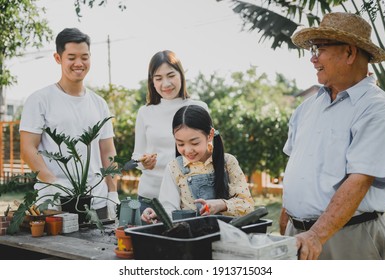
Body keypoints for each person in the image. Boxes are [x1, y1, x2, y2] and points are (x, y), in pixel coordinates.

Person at [280, 12, 385, 260]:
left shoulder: (377, 108)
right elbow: (296, 166)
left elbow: (359, 179)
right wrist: (287, 219)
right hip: (299, 236)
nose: (313, 58)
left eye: (320, 48)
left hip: (350, 239)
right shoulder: (306, 107)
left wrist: (316, 235)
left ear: (350, 53)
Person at [19, 28, 119, 220]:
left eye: (85, 57)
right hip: (53, 202)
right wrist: (52, 183)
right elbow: (27, 148)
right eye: (71, 57)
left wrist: (112, 192)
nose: (79, 63)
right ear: (58, 58)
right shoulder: (40, 99)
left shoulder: (99, 103)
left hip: (96, 200)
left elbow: (107, 151)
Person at [141, 105, 254, 223]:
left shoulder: (228, 162)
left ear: (210, 135)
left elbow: (247, 206)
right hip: (191, 238)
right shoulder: (174, 168)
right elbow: (169, 209)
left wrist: (221, 204)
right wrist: (159, 214)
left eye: (194, 143)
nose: (188, 150)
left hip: (227, 235)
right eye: (180, 144)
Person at [132, 50, 208, 214]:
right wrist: (142, 163)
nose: (165, 84)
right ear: (152, 81)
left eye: (171, 75)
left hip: (188, 198)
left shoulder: (199, 108)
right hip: (150, 199)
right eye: (158, 78)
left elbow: (209, 153)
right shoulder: (145, 112)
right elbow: (137, 155)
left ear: (181, 75)